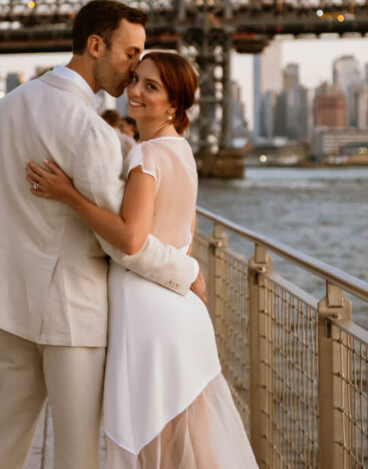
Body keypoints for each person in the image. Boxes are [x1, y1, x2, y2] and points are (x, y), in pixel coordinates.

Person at [0, 0, 204, 469]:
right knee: (76, 454)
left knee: (1, 441)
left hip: (11, 302)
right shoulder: (87, 129)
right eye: (130, 53)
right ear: (96, 45)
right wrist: (188, 269)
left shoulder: (5, 109)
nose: (135, 67)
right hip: (73, 314)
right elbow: (123, 243)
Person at [26, 52, 256, 466]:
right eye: (135, 80)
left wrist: (69, 196)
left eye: (151, 87)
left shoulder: (146, 157)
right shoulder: (180, 151)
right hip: (183, 318)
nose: (134, 91)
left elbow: (131, 239)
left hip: (149, 318)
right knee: (194, 450)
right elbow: (178, 239)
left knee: (154, 448)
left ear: (174, 104)